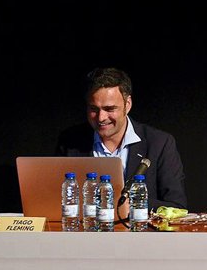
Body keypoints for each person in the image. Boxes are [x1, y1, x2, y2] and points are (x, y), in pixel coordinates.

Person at [55, 67, 187, 211]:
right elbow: (54, 198)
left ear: (127, 105)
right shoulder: (69, 141)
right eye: (94, 109)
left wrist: (132, 205)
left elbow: (177, 207)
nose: (101, 118)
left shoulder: (160, 143)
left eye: (109, 109)